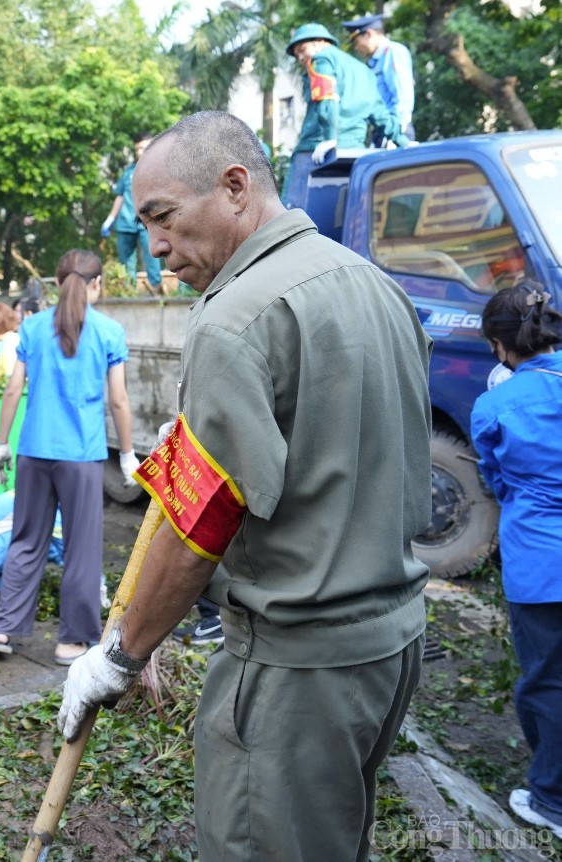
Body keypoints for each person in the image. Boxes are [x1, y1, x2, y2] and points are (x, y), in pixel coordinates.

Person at [56, 111, 433, 861]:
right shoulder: (371, 284)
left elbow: (200, 526)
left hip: (296, 665)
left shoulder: (234, 317)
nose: (156, 248)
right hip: (389, 645)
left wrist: (120, 654)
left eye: (163, 218)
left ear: (234, 187)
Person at [0, 250, 137, 666]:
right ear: (96, 284)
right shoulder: (109, 331)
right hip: (81, 458)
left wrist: (1, 443)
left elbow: (13, 390)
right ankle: (71, 642)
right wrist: (127, 455)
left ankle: (4, 629)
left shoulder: (31, 327)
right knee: (81, 549)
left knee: (26, 541)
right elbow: (118, 400)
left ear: (56, 282)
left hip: (33, 452)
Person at [470, 283, 562, 840]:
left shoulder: (495, 405)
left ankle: (551, 799)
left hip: (540, 561)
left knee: (547, 680)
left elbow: (495, 479)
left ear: (499, 346)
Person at [283, 23, 410, 205]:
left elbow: (327, 98)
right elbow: (380, 113)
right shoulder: (363, 71)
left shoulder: (322, 60)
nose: (301, 57)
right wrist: (403, 140)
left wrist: (329, 138)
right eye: (297, 55)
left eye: (302, 50)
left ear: (320, 42)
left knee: (293, 217)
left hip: (316, 151)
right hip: (352, 153)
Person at [102, 133, 163, 293]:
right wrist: (109, 219)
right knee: (126, 262)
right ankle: (129, 291)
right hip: (125, 223)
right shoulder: (128, 172)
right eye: (138, 148)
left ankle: (155, 289)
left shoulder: (159, 170)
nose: (140, 151)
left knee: (153, 255)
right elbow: (120, 197)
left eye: (144, 147)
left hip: (147, 223)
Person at [343, 13, 415, 143]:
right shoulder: (374, 62)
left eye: (357, 42)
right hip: (383, 129)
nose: (356, 48)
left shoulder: (393, 52)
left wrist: (398, 130)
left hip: (395, 129)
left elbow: (402, 93)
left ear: (369, 34)